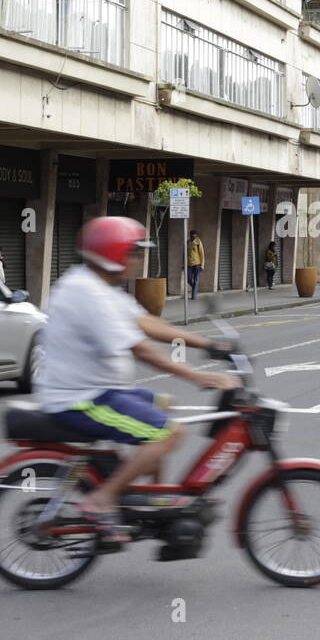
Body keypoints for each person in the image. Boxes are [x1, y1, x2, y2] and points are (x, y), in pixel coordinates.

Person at [36, 217, 240, 542]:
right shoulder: (86, 294)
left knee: (165, 405)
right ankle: (102, 500)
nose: (137, 259)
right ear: (114, 253)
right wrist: (200, 376)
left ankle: (149, 501)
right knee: (168, 433)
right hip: (83, 400)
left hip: (101, 391)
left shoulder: (101, 288)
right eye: (132, 252)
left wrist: (212, 344)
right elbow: (141, 349)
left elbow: (146, 323)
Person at [186, 229, 204, 299]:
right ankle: (195, 288)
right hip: (189, 264)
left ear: (196, 235)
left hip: (197, 264)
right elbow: (185, 253)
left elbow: (202, 254)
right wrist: (183, 263)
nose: (193, 236)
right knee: (189, 279)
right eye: (191, 235)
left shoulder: (198, 242)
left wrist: (202, 265)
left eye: (194, 235)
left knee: (196, 279)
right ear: (190, 235)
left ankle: (193, 296)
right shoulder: (188, 242)